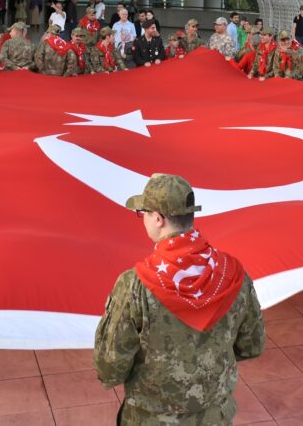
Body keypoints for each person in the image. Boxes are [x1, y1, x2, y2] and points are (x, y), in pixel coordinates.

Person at [93, 174, 265, 423]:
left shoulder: (135, 284)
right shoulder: (233, 274)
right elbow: (252, 345)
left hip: (151, 418)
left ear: (158, 219)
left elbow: (110, 366)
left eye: (143, 213)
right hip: (214, 416)